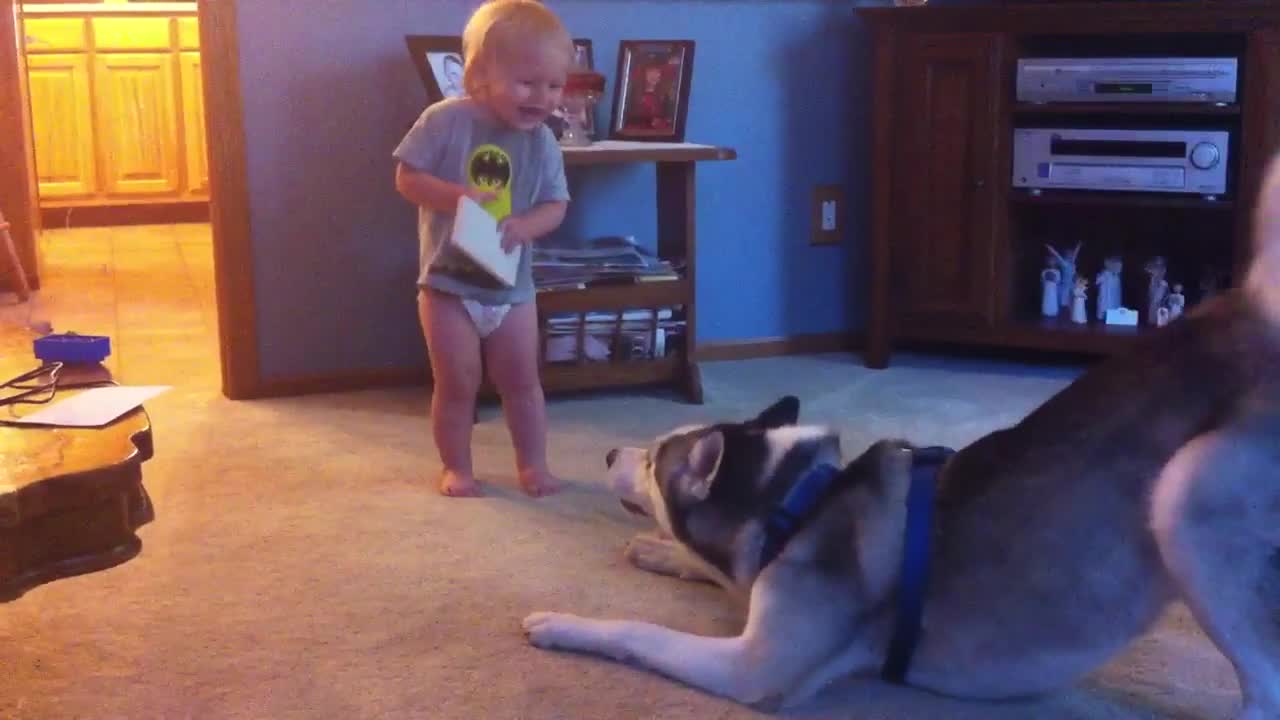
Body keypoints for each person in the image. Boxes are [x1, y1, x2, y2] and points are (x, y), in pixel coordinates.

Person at [393, 0, 571, 498]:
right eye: (527, 83)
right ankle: (457, 467)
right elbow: (406, 178)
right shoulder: (445, 121)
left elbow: (557, 205)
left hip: (512, 288)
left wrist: (525, 225)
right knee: (457, 383)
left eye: (554, 86)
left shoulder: (543, 142)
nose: (542, 97)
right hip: (449, 285)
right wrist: (457, 196)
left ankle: (533, 466)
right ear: (479, 75)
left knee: (523, 383)